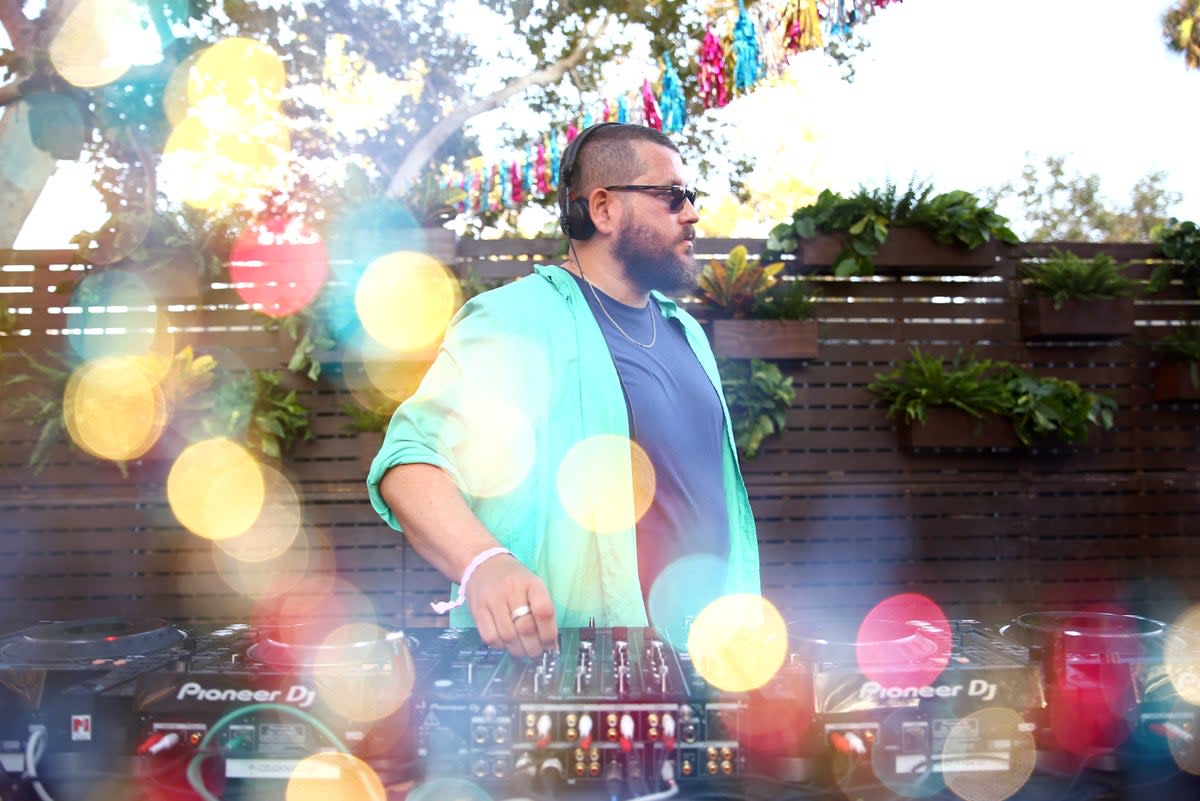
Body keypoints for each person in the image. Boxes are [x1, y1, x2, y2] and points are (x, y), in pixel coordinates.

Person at [366, 122, 760, 658]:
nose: (691, 213)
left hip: (713, 666)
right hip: (573, 675)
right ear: (603, 208)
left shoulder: (685, 331)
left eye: (690, 197)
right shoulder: (515, 320)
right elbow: (412, 463)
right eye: (672, 196)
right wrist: (485, 563)